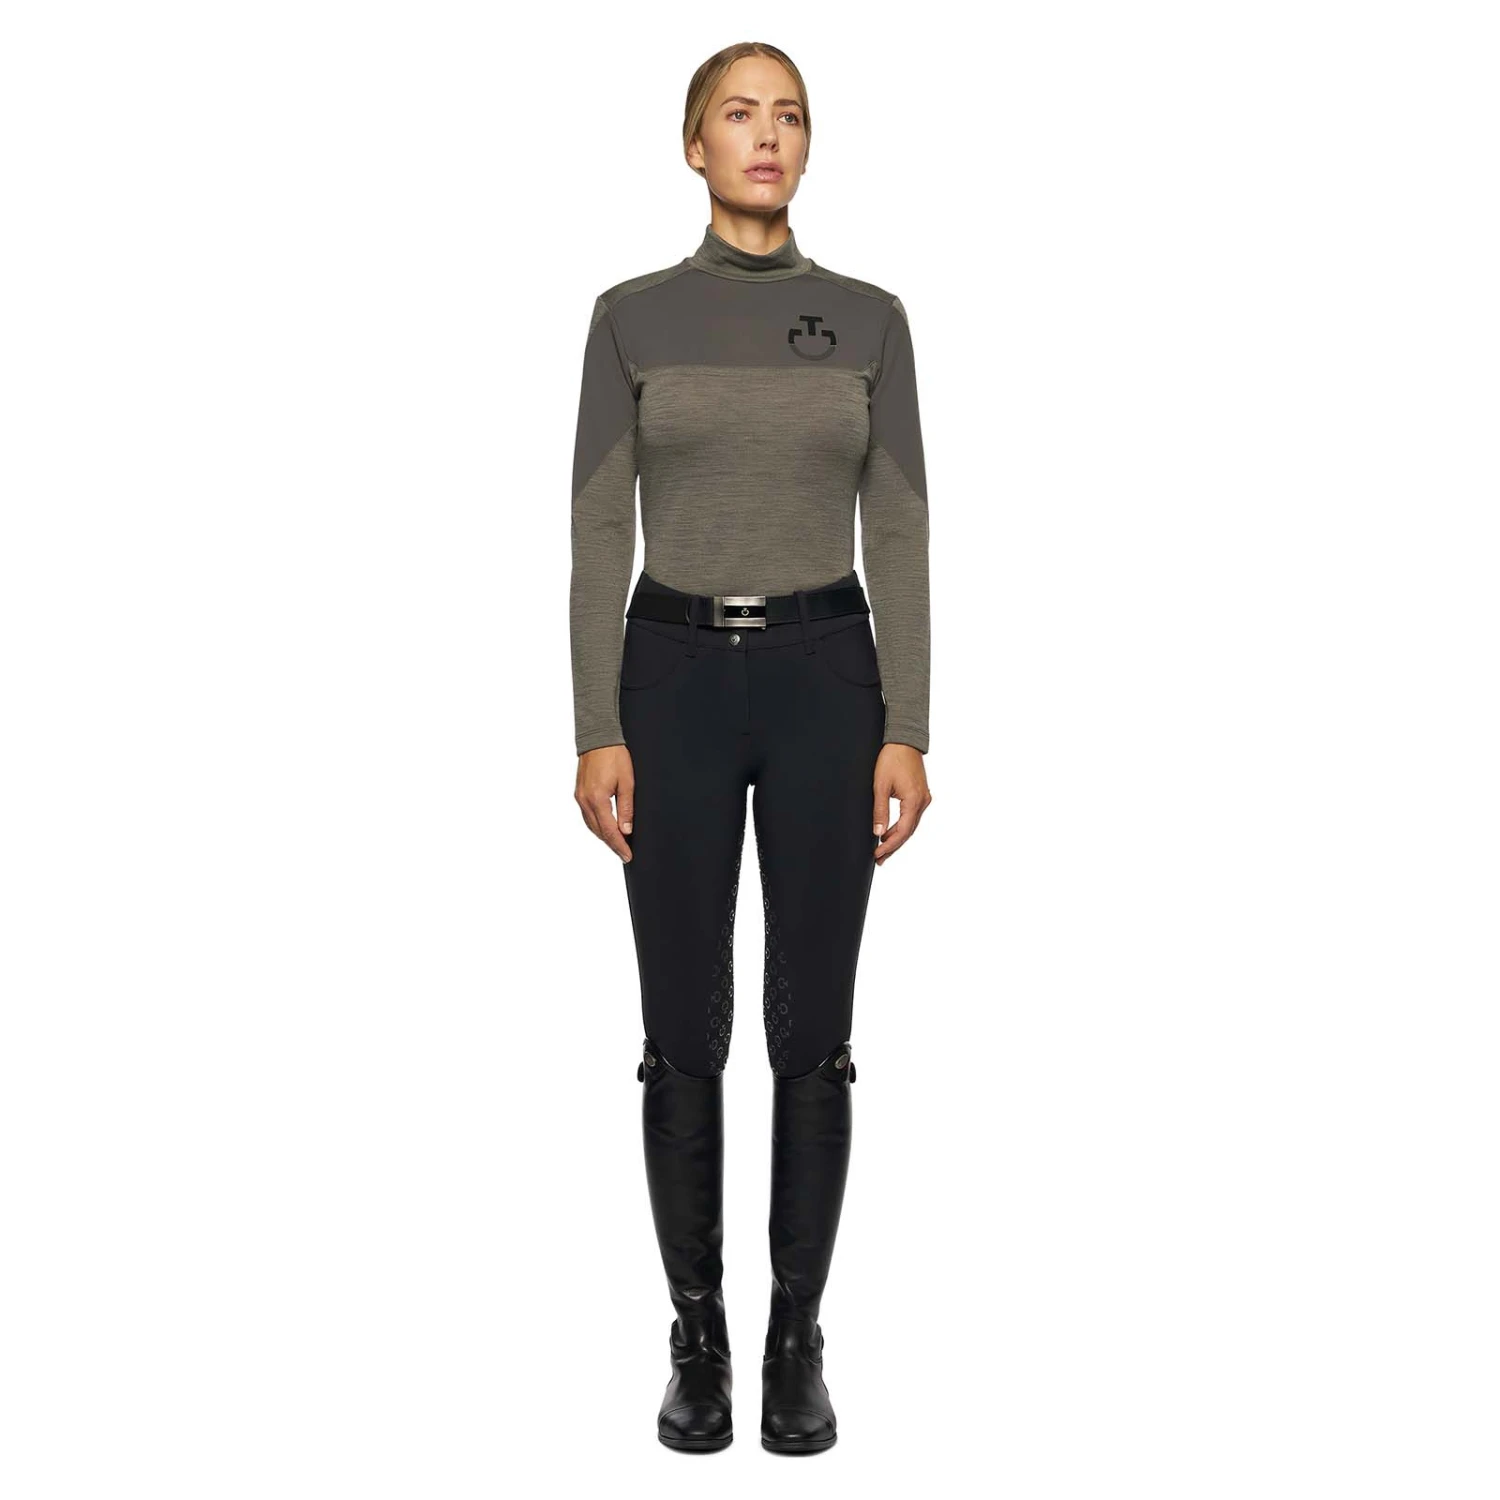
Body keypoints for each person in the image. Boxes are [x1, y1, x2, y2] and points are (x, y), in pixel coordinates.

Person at [569, 41, 933, 1454]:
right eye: (739, 113)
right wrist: (596, 725)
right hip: (668, 677)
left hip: (826, 678)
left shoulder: (871, 321)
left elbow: (899, 525)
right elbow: (597, 525)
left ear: (807, 146)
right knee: (682, 1030)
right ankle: (697, 1341)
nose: (766, 135)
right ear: (693, 145)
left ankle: (795, 1341)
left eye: (789, 115)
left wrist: (909, 724)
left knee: (813, 1029)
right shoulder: (629, 319)